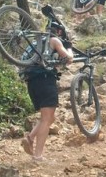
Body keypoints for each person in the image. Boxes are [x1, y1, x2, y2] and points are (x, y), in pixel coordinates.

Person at [20, 27, 74, 163]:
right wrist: (70, 49)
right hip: (45, 80)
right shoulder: (54, 40)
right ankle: (38, 156)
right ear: (59, 32)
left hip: (32, 83)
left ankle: (30, 138)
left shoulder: (36, 43)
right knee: (46, 119)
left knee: (49, 118)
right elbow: (68, 59)